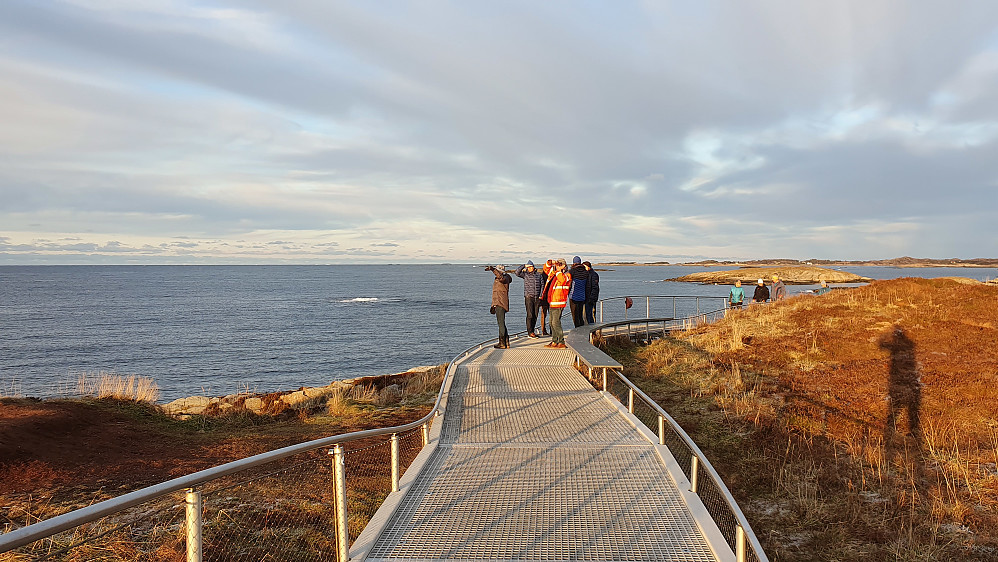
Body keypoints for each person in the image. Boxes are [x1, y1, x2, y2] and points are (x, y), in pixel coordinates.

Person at [543, 259, 571, 349]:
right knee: (551, 322)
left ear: (564, 266)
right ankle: (555, 341)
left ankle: (561, 341)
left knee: (556, 322)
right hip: (552, 301)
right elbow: (546, 269)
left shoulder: (567, 275)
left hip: (559, 302)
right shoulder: (555, 273)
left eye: (559, 264)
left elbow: (562, 280)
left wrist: (559, 270)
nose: (557, 266)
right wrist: (550, 262)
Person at [515, 261, 545, 337]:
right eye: (528, 267)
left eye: (530, 267)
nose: (529, 268)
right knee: (530, 315)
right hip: (529, 297)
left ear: (533, 267)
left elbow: (542, 285)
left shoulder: (539, 275)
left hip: (537, 297)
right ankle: (530, 332)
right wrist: (524, 265)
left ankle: (532, 331)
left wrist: (541, 295)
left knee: (535, 315)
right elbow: (517, 272)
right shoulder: (525, 275)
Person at [487, 265, 512, 349]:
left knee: (501, 323)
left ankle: (502, 343)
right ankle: (506, 342)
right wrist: (493, 305)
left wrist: (493, 269)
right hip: (499, 302)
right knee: (502, 323)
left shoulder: (503, 279)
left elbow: (500, 277)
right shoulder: (503, 278)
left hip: (500, 303)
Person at [568, 256, 589, 327]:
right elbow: (587, 286)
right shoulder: (586, 272)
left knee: (575, 316)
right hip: (582, 296)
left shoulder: (572, 271)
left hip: (573, 296)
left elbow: (569, 284)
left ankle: (577, 330)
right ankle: (581, 329)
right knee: (580, 315)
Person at [538, 260, 553, 336]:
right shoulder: (546, 275)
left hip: (549, 297)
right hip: (545, 297)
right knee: (545, 314)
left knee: (549, 314)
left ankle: (549, 330)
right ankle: (544, 330)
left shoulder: (551, 275)